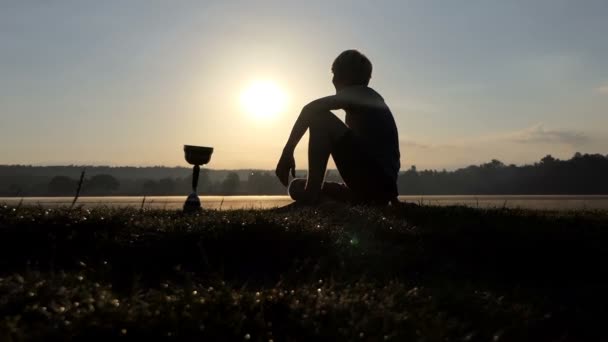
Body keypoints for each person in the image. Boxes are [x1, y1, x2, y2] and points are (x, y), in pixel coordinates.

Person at [275, 50, 401, 205]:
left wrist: (287, 152)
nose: (333, 80)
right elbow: (385, 154)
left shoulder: (362, 94)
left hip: (375, 185)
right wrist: (392, 199)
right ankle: (330, 202)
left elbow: (309, 109)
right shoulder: (370, 101)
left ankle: (311, 196)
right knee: (295, 186)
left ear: (347, 76)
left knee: (319, 118)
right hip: (375, 189)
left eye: (335, 74)